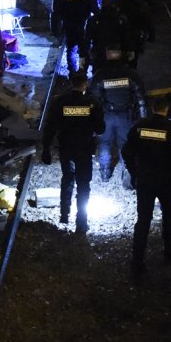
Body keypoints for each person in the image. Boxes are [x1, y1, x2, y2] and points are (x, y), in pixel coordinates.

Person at [122, 96, 171, 276]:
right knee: (168, 215)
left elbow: (126, 151)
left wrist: (134, 172)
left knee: (143, 220)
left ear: (153, 108)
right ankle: (169, 253)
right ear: (166, 110)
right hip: (166, 180)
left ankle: (137, 262)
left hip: (145, 179)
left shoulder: (139, 127)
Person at [41, 71, 105, 234]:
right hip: (84, 148)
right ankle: (81, 223)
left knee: (67, 177)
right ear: (85, 84)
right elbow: (100, 128)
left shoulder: (60, 102)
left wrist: (46, 148)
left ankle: (64, 215)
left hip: (66, 147)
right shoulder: (92, 102)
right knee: (84, 185)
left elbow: (50, 127)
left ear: (71, 83)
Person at [90, 58, 147, 185]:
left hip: (107, 115)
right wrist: (143, 121)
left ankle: (105, 172)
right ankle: (126, 173)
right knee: (124, 144)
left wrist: (94, 120)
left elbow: (94, 99)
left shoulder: (100, 75)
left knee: (104, 143)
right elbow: (141, 99)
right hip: (125, 115)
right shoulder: (131, 75)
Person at [51, 0, 98, 74]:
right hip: (83, 27)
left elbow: (55, 13)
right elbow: (96, 11)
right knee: (83, 52)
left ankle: (72, 73)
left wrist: (54, 30)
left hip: (69, 27)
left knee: (71, 50)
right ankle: (82, 72)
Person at [84, 0, 137, 73]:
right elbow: (128, 36)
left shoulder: (94, 20)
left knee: (98, 74)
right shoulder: (121, 19)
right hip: (118, 53)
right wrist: (130, 49)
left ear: (101, 4)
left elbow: (87, 38)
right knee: (121, 73)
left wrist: (84, 54)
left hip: (100, 54)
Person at [115, 0, 154, 69]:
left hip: (119, 38)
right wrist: (151, 35)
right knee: (132, 63)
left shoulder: (117, 3)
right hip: (134, 39)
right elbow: (148, 20)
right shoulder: (141, 4)